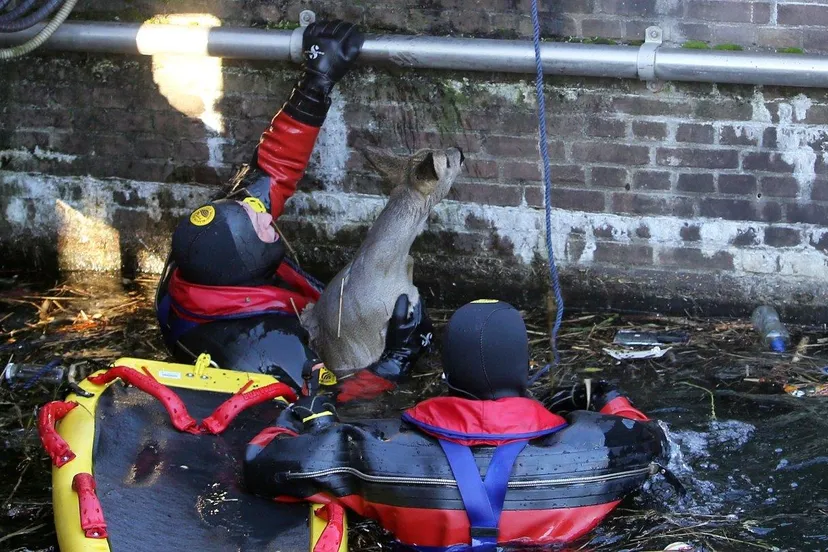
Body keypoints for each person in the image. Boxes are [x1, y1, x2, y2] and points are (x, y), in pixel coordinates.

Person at [243, 300, 669, 550]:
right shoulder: (601, 451)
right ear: (525, 369)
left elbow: (261, 463)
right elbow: (656, 443)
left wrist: (308, 415)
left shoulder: (367, 449)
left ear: (447, 373)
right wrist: (600, 395)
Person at [154, 20, 434, 401]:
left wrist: (316, 81)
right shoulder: (270, 347)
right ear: (244, 262)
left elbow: (270, 171)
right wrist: (399, 359)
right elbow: (333, 403)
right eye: (259, 222)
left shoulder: (202, 257)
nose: (266, 213)